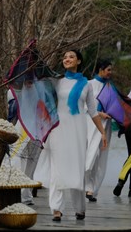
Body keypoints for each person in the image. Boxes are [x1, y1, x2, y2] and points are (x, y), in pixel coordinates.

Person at [35, 50, 107, 222]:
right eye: (65, 57)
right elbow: (42, 96)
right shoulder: (57, 81)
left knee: (76, 168)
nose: (67, 59)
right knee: (57, 169)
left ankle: (80, 208)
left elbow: (92, 111)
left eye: (71, 57)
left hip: (78, 131)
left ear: (79, 61)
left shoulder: (86, 84)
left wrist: (102, 132)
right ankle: (56, 209)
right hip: (58, 128)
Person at [84, 58, 114, 202]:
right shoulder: (89, 84)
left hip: (106, 125)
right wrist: (99, 113)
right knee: (91, 154)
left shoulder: (110, 87)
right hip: (91, 124)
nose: (110, 72)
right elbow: (84, 105)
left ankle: (93, 190)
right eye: (108, 70)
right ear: (101, 70)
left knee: (101, 157)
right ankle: (87, 185)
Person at [7, 86, 42, 205]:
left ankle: (26, 195)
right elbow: (12, 114)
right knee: (17, 159)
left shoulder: (42, 87)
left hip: (37, 130)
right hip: (23, 128)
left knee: (31, 163)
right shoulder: (13, 91)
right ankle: (17, 194)